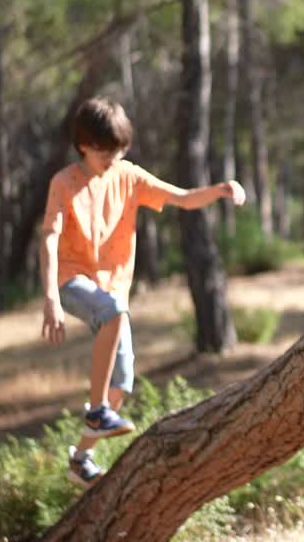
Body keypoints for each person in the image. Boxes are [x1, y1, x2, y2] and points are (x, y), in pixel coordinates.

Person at [40, 96, 246, 488]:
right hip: (70, 280)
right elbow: (49, 236)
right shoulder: (64, 183)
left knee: (123, 382)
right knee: (115, 312)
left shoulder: (129, 176)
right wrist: (51, 297)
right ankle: (97, 410)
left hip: (111, 288)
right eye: (107, 151)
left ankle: (81, 458)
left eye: (121, 150)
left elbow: (182, 198)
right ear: (84, 145)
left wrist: (221, 189)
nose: (114, 159)